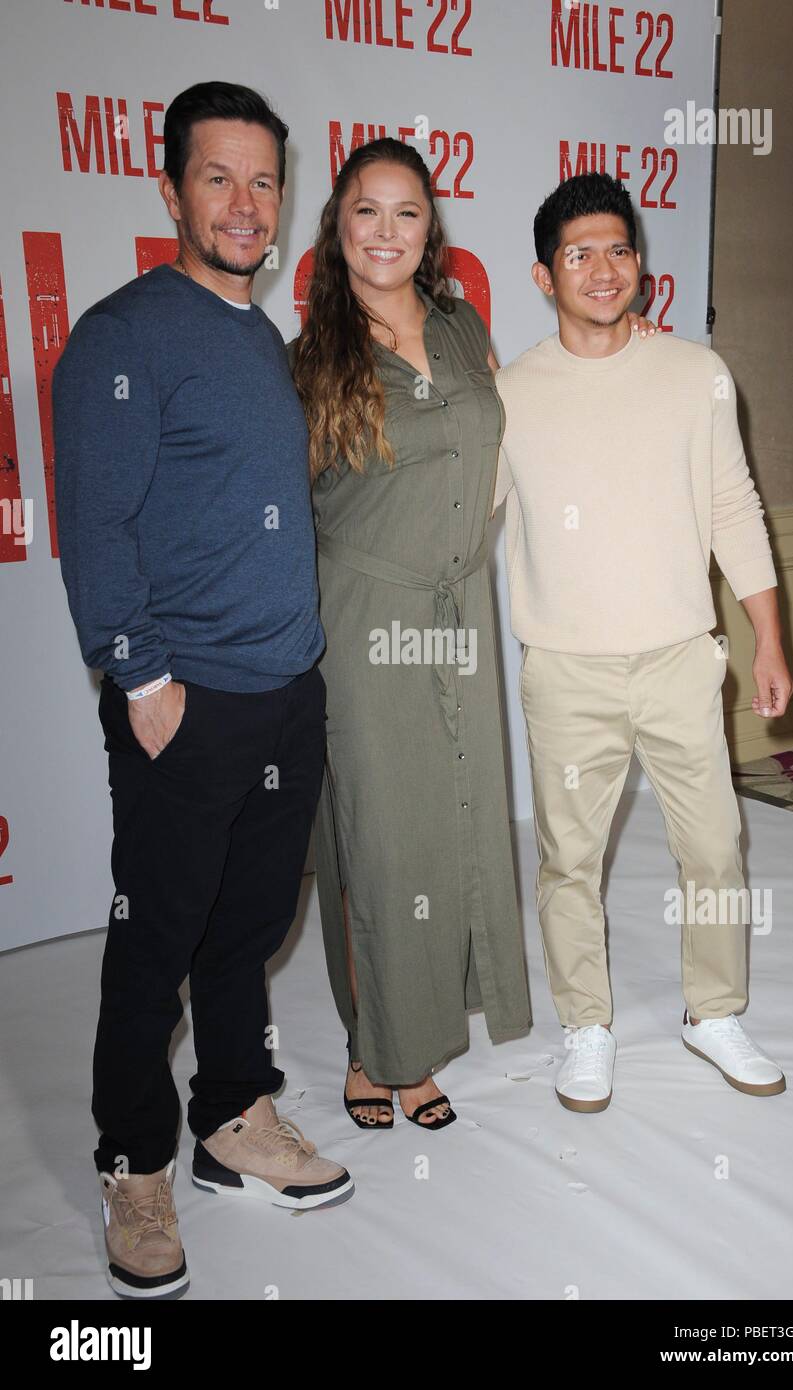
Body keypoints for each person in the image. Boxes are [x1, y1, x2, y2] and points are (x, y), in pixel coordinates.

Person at [53, 82, 352, 1302]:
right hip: (187, 699)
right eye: (217, 178)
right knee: (155, 943)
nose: (243, 203)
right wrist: (144, 674)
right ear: (170, 189)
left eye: (264, 181)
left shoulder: (259, 339)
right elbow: (96, 524)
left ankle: (234, 1114)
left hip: (286, 688)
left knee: (246, 932)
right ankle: (134, 1161)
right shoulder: (124, 336)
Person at [289, 140, 654, 1129]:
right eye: (366, 212)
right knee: (376, 840)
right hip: (360, 616)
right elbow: (283, 510)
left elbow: (511, 449)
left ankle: (420, 1037)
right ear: (337, 225)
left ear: (428, 231)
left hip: (458, 614)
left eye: (406, 213)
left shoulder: (459, 328)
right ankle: (379, 1055)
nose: (385, 232)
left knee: (451, 828)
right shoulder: (309, 357)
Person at [493, 171, 793, 1113]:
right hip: (566, 671)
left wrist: (769, 642)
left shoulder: (694, 373)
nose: (602, 267)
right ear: (545, 276)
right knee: (566, 864)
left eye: (618, 248)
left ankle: (714, 1012)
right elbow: (460, 525)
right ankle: (586, 1025)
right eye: (578, 253)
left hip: (677, 658)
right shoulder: (507, 394)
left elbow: (733, 510)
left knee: (714, 847)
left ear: (640, 265)